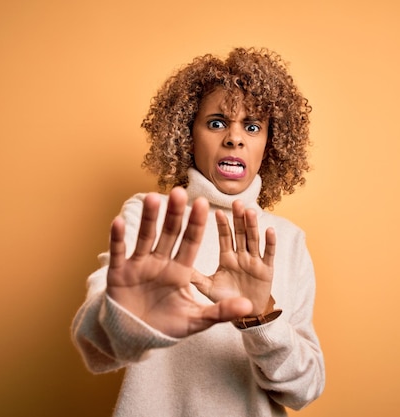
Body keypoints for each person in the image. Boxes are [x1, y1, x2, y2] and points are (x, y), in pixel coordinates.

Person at [71, 47, 325, 416]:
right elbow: (95, 347)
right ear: (188, 134)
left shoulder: (286, 241)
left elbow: (304, 390)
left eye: (252, 127)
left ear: (269, 145)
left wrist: (260, 318)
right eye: (217, 122)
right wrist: (130, 316)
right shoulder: (150, 215)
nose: (235, 138)